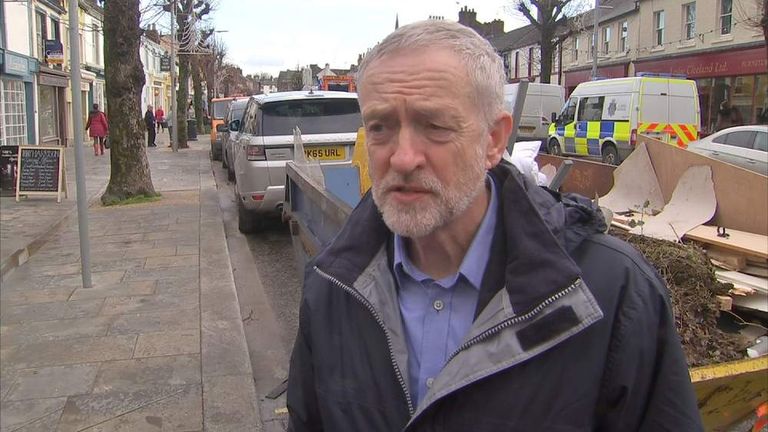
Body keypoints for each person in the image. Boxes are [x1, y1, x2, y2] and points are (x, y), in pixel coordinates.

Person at [287, 20, 703, 432]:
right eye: (380, 128)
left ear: (494, 140)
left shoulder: (611, 293)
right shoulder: (331, 287)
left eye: (434, 126)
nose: (402, 158)